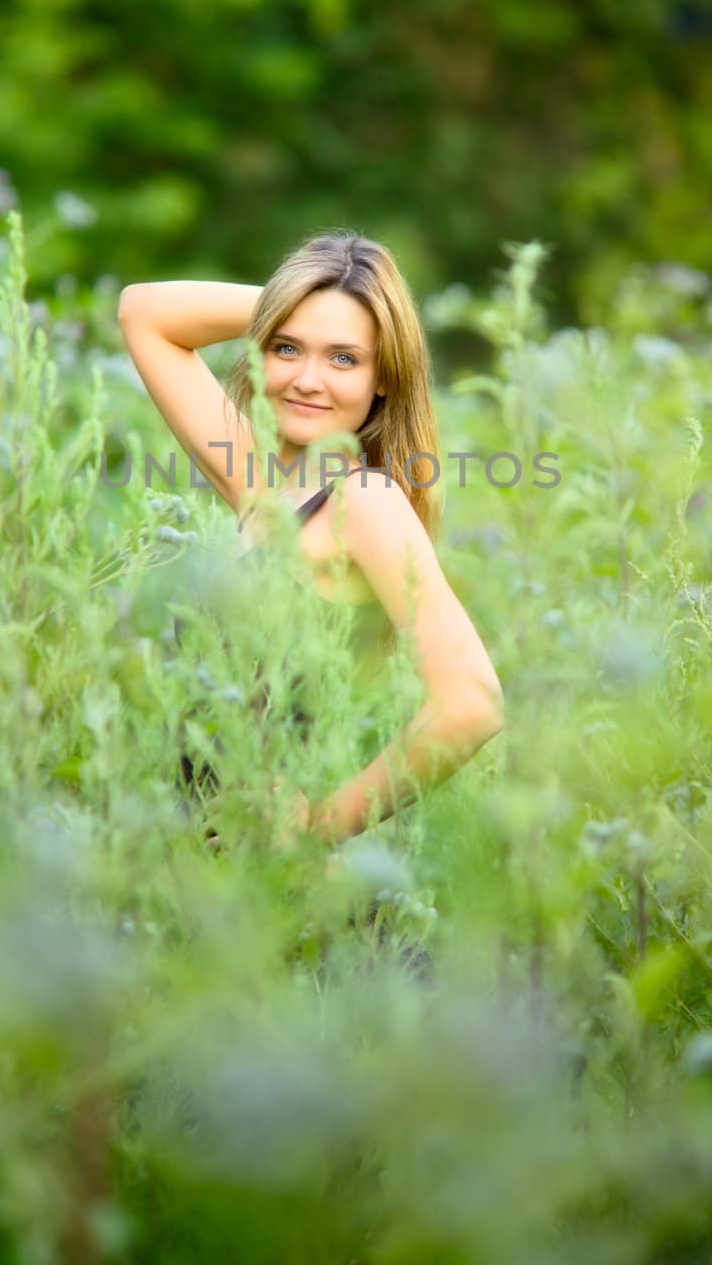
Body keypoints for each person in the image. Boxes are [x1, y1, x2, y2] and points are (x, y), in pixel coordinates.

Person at [117, 229, 504, 852]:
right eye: (287, 348)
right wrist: (315, 304)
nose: (307, 379)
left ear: (385, 376)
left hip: (297, 910)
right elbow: (145, 311)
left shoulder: (365, 502)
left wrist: (319, 828)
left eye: (345, 358)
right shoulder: (266, 487)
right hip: (215, 890)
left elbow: (472, 701)